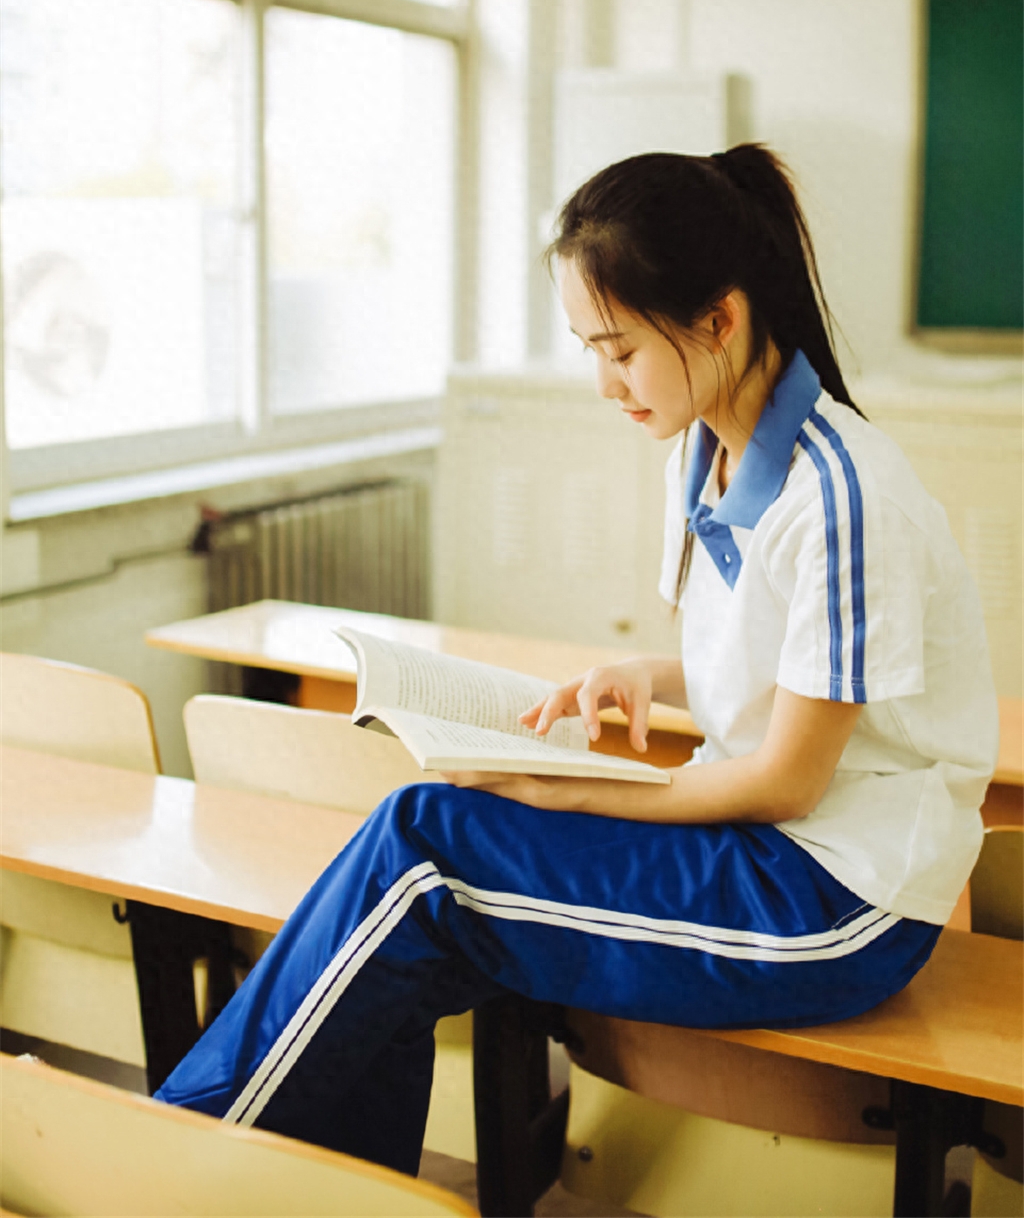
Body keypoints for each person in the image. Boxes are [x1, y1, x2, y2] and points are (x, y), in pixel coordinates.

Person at [155, 145, 998, 1177]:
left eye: (620, 349)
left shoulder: (841, 492)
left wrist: (570, 791)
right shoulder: (707, 448)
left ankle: (170, 1159)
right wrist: (655, 678)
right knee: (411, 894)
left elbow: (787, 777)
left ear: (720, 320)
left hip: (833, 904)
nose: (603, 382)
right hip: (766, 851)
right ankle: (294, 1184)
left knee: (423, 856)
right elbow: (801, 657)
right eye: (587, 348)